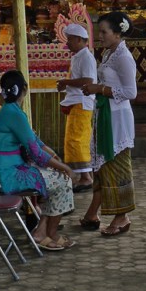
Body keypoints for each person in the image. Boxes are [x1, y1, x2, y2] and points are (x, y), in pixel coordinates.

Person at [0, 70, 76, 251]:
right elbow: (36, 153)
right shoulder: (14, 114)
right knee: (63, 180)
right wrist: (65, 168)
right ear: (24, 89)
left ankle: (41, 232)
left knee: (57, 177)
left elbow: (35, 141)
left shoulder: (9, 111)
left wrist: (55, 158)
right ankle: (50, 233)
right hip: (4, 176)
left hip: (2, 171)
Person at [80, 11, 137, 236]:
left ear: (117, 33)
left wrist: (100, 89)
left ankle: (122, 217)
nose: (100, 36)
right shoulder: (108, 53)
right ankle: (92, 213)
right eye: (99, 32)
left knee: (116, 166)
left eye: (104, 32)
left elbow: (131, 92)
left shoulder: (123, 57)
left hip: (118, 119)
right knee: (103, 166)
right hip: (105, 115)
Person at [56, 23, 97, 193]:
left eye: (71, 39)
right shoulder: (78, 56)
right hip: (77, 101)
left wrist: (66, 82)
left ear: (80, 40)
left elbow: (88, 81)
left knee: (77, 140)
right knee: (75, 139)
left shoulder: (86, 57)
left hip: (82, 102)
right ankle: (85, 175)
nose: (68, 43)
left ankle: (86, 178)